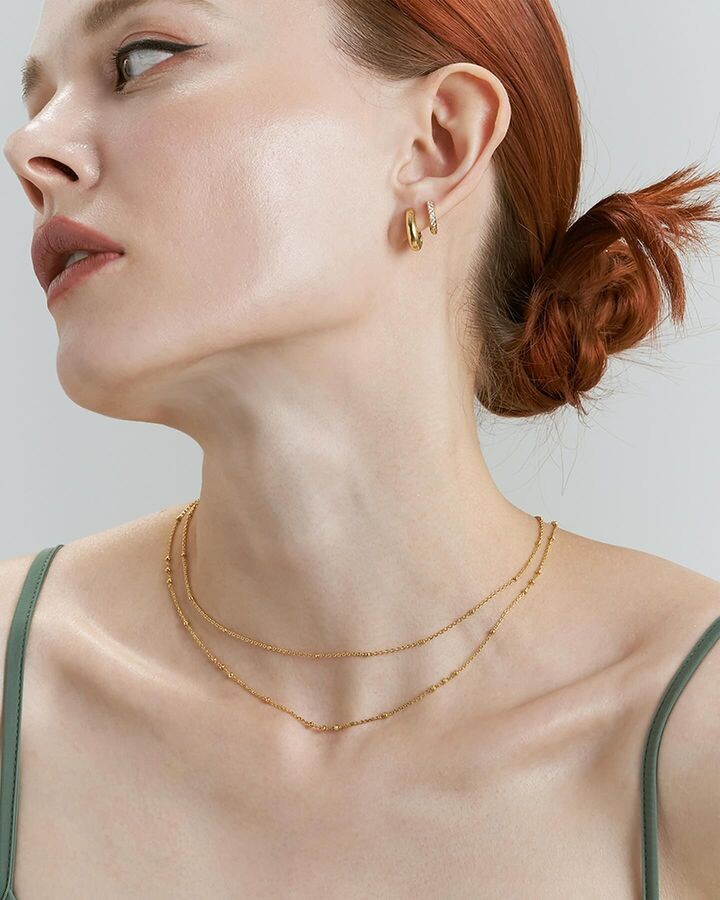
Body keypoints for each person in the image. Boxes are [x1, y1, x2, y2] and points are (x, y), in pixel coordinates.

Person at [1, 0, 719, 896]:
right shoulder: (12, 687)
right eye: (36, 101)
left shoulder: (694, 728)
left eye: (142, 58)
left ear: (437, 142)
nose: (30, 149)